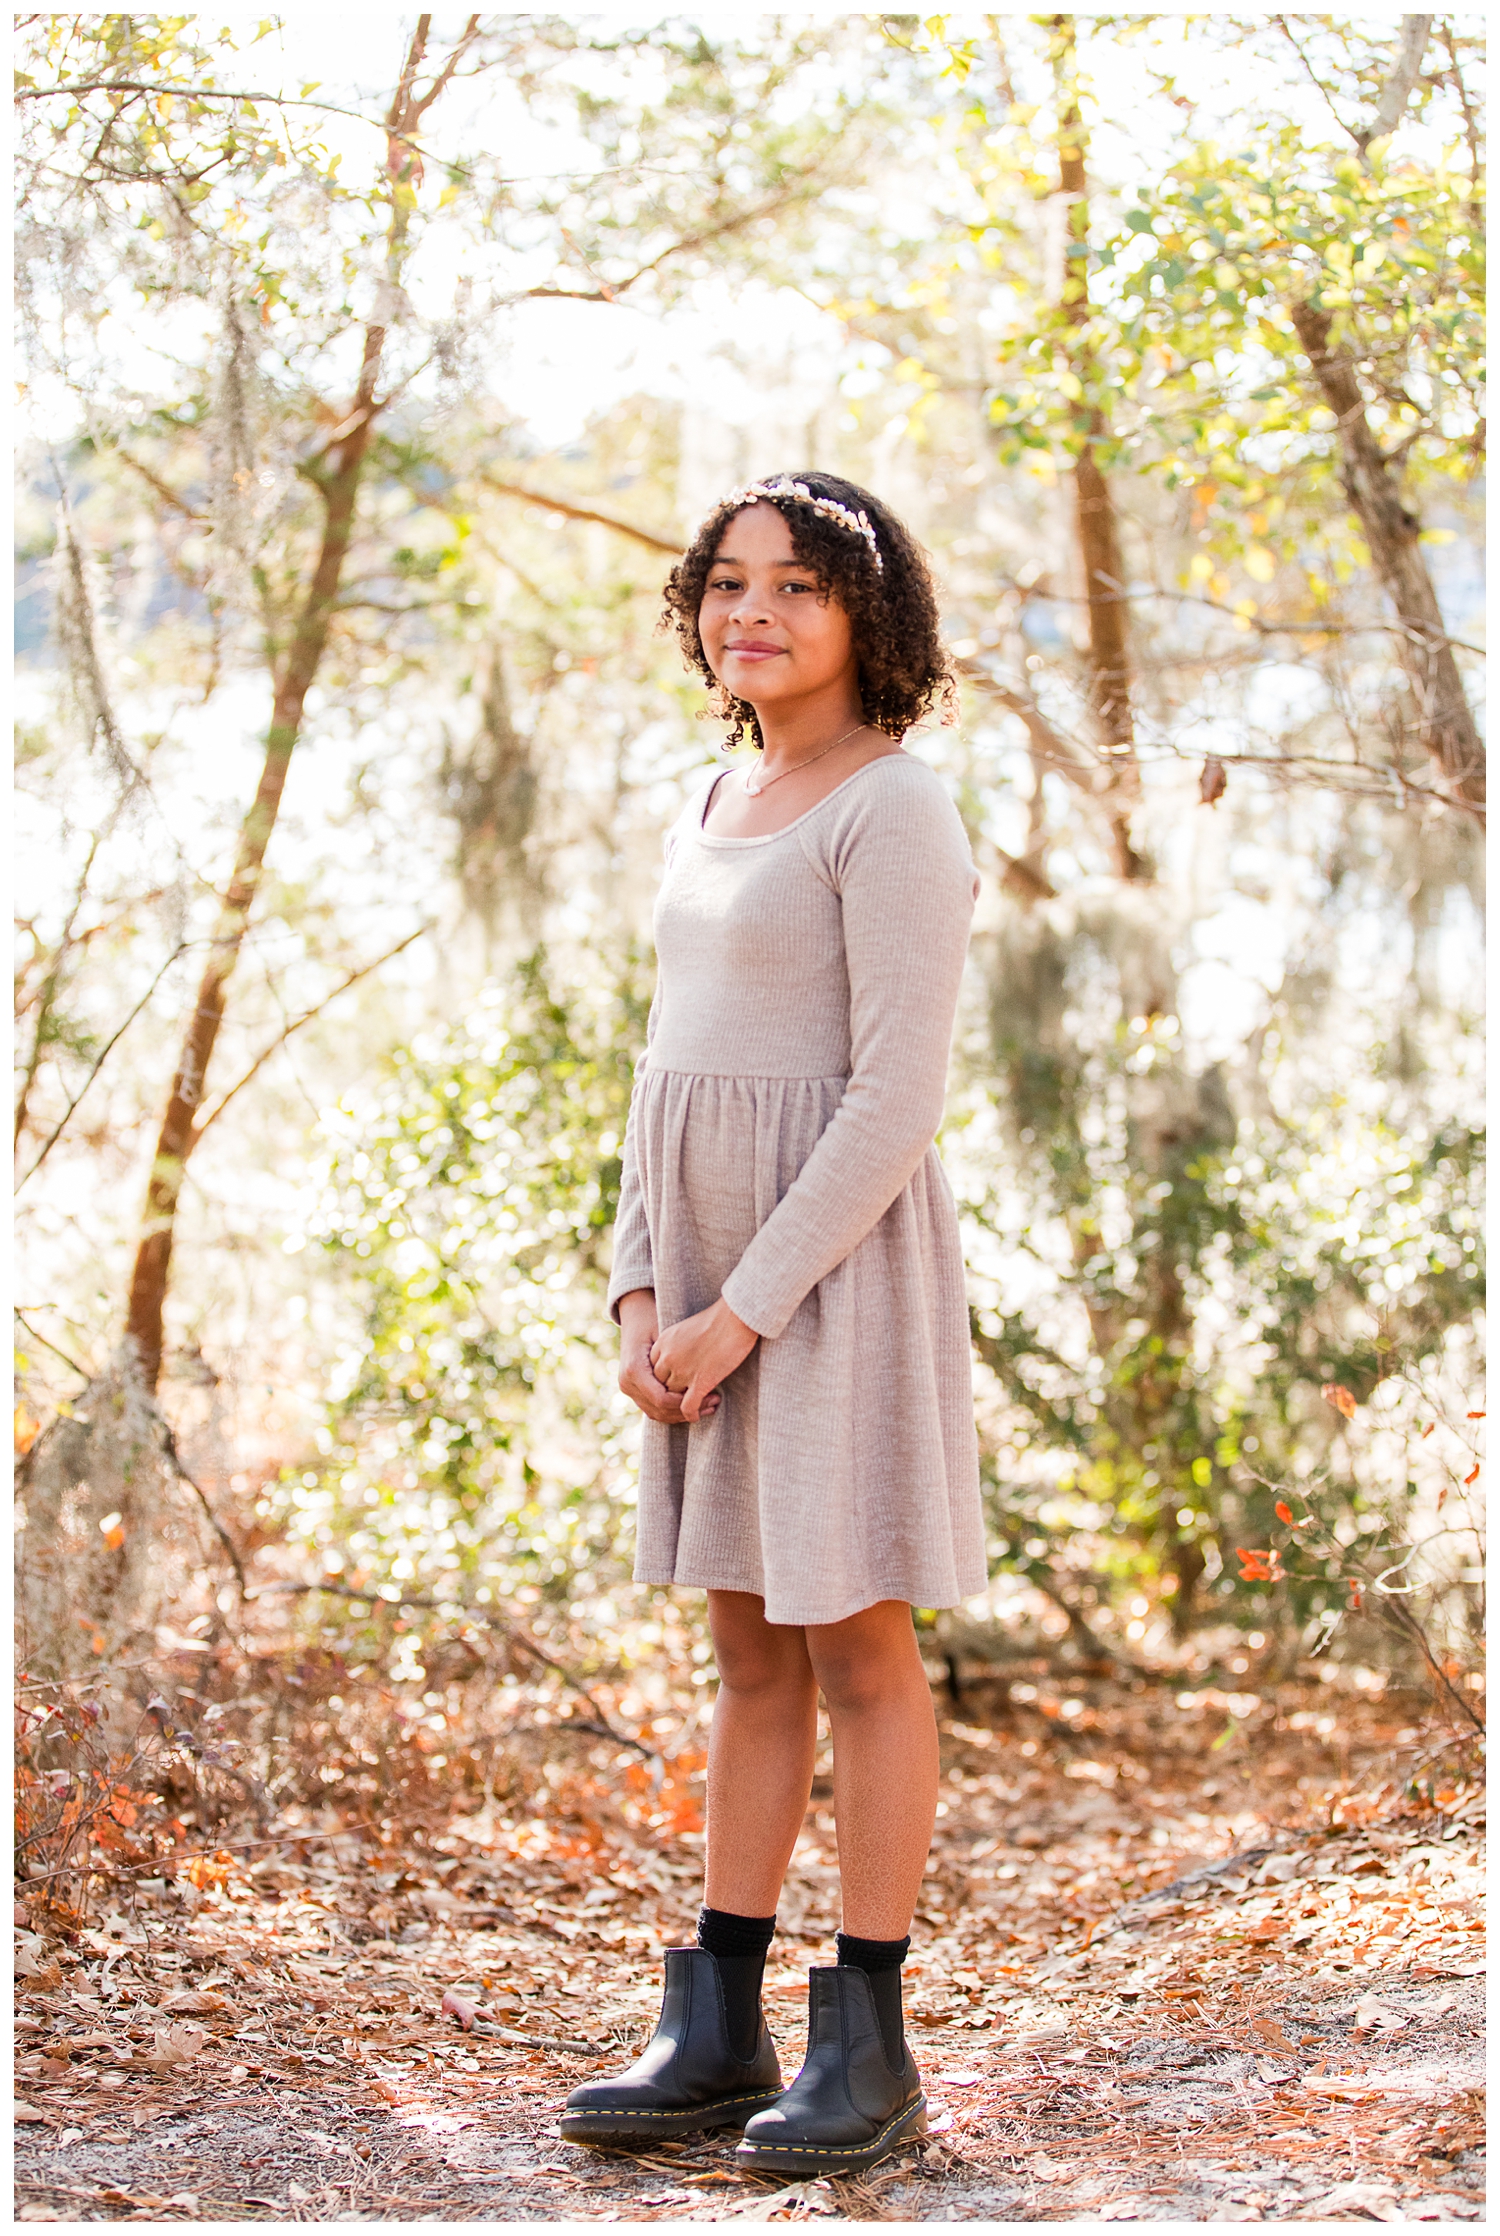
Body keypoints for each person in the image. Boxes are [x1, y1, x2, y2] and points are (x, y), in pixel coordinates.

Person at [562, 472, 985, 2177]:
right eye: (729, 585)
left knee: (856, 1645)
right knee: (744, 1650)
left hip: (831, 1270)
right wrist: (642, 1284)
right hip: (709, 1283)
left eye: (798, 586)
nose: (756, 612)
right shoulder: (716, 789)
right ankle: (716, 2022)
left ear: (867, 617)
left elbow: (896, 1099)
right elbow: (664, 1079)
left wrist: (747, 1306)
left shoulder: (894, 811)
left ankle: (867, 2041)